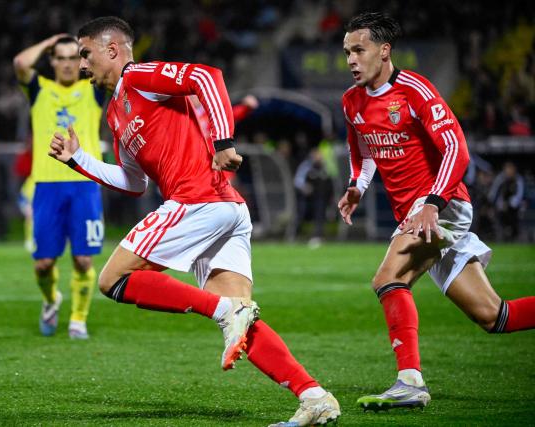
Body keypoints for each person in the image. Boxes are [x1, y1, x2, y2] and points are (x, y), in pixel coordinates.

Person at [49, 16, 340, 426]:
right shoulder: (116, 112)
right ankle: (314, 396)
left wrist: (223, 142)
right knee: (242, 316)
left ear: (112, 49)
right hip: (222, 210)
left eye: (85, 53)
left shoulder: (139, 77)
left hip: (198, 200)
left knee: (111, 279)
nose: (81, 65)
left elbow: (206, 77)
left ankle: (221, 312)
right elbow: (133, 181)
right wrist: (79, 160)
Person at [337, 12, 535, 411]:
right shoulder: (352, 102)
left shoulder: (415, 90)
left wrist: (432, 204)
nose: (352, 60)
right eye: (347, 52)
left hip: (441, 204)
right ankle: (410, 382)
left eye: (359, 50)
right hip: (419, 213)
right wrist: (357, 186)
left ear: (384, 50)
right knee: (495, 316)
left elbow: (456, 150)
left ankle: (410, 382)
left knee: (387, 279)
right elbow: (363, 149)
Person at [13, 34, 107, 339]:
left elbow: (112, 64)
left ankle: (78, 319)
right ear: (52, 61)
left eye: (72, 58)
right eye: (61, 58)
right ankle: (51, 299)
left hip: (85, 185)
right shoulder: (40, 89)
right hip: (47, 186)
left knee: (83, 259)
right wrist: (50, 41)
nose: (67, 64)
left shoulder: (92, 89)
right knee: (43, 264)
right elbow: (20, 62)